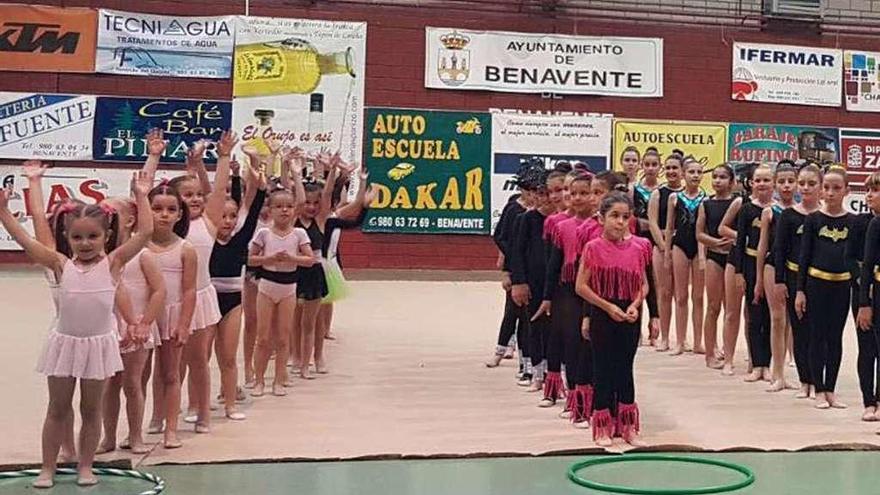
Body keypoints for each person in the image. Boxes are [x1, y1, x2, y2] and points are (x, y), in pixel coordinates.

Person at [0, 172, 153, 488]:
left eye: (93, 237)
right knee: (57, 408)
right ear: (67, 237)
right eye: (77, 238)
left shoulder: (113, 263)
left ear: (107, 235)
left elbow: (145, 233)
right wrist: (3, 214)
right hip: (65, 343)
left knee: (91, 408)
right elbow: (25, 240)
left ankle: (86, 466)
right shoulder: (59, 264)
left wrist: (141, 195)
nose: (85, 244)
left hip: (97, 345)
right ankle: (48, 468)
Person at [150, 132, 236, 433]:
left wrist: (223, 158)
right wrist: (154, 156)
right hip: (164, 302)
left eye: (199, 194)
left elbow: (221, 189)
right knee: (166, 367)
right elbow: (146, 195)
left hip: (198, 298)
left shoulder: (208, 222)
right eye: (188, 196)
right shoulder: (162, 227)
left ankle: (202, 414)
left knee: (198, 360)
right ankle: (158, 416)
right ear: (174, 202)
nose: (197, 199)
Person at [576, 192, 651, 447]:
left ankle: (627, 425)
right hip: (603, 313)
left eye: (625, 217)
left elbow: (644, 284)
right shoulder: (593, 248)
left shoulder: (640, 247)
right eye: (614, 216)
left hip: (629, 316)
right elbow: (581, 286)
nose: (620, 222)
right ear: (601, 219)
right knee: (603, 369)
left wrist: (634, 304)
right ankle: (602, 427)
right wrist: (607, 307)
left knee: (625, 369)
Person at [98, 195, 166, 455]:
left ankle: (136, 436)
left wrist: (145, 322)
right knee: (108, 386)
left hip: (137, 327)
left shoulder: (143, 255)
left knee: (133, 384)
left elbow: (159, 290)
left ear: (129, 219)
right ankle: (108, 437)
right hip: (107, 327)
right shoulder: (101, 256)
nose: (106, 217)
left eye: (111, 212)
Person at [20, 161, 78, 462]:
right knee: (61, 400)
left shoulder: (99, 258)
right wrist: (34, 182)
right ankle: (67, 448)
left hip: (97, 333)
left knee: (95, 400)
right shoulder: (54, 261)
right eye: (64, 224)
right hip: (64, 334)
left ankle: (97, 443)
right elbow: (39, 222)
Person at [209, 163, 267, 417]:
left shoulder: (241, 239)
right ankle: (195, 404)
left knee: (228, 355)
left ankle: (231, 403)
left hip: (233, 301)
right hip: (207, 300)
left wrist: (261, 187)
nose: (229, 221)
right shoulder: (204, 238)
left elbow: (252, 211)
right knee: (201, 358)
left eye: (233, 216)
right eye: (223, 215)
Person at [795, 166, 852, 409]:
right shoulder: (813, 220)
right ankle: (818, 388)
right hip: (816, 283)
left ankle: (831, 389)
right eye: (826, 188)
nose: (830, 193)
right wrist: (800, 290)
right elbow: (804, 257)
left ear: (846, 191)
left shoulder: (853, 222)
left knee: (835, 338)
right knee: (816, 336)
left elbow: (856, 259)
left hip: (842, 285)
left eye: (836, 188)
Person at [146, 182, 197, 449]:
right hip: (143, 316)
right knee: (139, 376)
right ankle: (146, 422)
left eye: (171, 209)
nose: (164, 214)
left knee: (171, 373)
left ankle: (171, 428)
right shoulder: (138, 245)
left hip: (173, 314)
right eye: (157, 208)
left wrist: (185, 323)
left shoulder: (186, 249)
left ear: (180, 214)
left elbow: (190, 290)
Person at [538, 172, 594, 411]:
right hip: (567, 289)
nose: (578, 198)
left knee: (586, 344)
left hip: (593, 290)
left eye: (584, 193)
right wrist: (547, 297)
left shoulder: (599, 226)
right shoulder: (560, 225)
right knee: (567, 341)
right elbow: (552, 264)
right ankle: (570, 397)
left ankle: (589, 396)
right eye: (574, 193)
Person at [773, 164, 822, 398]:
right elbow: (780, 249)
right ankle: (805, 381)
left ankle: (819, 379)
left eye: (811, 184)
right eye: (802, 183)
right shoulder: (789, 215)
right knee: (800, 330)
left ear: (820, 187)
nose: (805, 188)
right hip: (793, 277)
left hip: (820, 279)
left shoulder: (824, 216)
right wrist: (780, 281)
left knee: (818, 331)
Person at [511, 169, 554, 392]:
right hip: (532, 282)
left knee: (556, 329)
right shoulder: (526, 220)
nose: (545, 198)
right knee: (534, 326)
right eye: (540, 193)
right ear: (534, 195)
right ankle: (537, 372)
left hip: (555, 283)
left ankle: (555, 374)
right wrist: (518, 282)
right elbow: (516, 253)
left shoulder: (559, 221)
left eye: (549, 193)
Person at [487, 166, 535, 368]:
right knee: (512, 312)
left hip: (535, 270)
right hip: (516, 269)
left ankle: (526, 362)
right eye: (530, 191)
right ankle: (499, 350)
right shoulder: (514, 209)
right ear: (523, 190)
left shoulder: (541, 213)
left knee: (528, 318)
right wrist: (508, 266)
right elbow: (500, 236)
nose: (533, 195)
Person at [757, 161, 797, 392]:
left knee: (792, 321)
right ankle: (777, 373)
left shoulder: (806, 211)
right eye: (781, 182)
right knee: (777, 319)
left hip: (796, 268)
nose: (786, 186)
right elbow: (762, 247)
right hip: (773, 267)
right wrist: (759, 279)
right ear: (775, 185)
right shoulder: (769, 212)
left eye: (791, 181)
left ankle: (792, 372)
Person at [665, 157, 706, 356]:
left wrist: (703, 255)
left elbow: (705, 228)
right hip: (679, 246)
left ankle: (698, 342)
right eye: (691, 172)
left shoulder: (706, 199)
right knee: (680, 296)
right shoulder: (675, 198)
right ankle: (680, 341)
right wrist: (666, 253)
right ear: (683, 174)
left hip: (699, 249)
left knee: (698, 297)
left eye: (699, 172)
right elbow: (670, 227)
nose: (695, 175)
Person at [696, 164, 736, 369]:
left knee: (731, 308)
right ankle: (709, 353)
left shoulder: (739, 203)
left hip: (733, 259)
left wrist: (731, 242)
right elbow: (699, 233)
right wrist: (714, 243)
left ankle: (728, 353)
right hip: (714, 256)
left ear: (731, 181)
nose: (718, 181)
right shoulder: (706, 204)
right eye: (715, 177)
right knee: (712, 306)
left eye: (722, 177)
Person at [647, 155, 684, 351]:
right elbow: (652, 222)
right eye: (668, 167)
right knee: (663, 292)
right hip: (661, 246)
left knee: (681, 294)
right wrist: (663, 246)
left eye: (675, 168)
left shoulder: (687, 195)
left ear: (681, 170)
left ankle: (681, 338)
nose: (671, 171)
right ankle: (664, 337)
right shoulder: (657, 194)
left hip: (682, 247)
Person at [632, 148, 662, 345]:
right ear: (642, 166)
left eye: (654, 165)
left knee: (655, 282)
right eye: (647, 164)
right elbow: (631, 216)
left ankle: (656, 324)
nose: (650, 168)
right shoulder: (633, 189)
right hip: (638, 239)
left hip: (657, 240)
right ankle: (638, 330)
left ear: (659, 167)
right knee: (638, 282)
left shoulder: (663, 191)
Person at [857, 172, 880, 422]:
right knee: (872, 348)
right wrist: (864, 303)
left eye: (875, 190)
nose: (870, 195)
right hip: (876, 292)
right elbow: (866, 266)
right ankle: (870, 400)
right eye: (869, 190)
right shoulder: (875, 224)